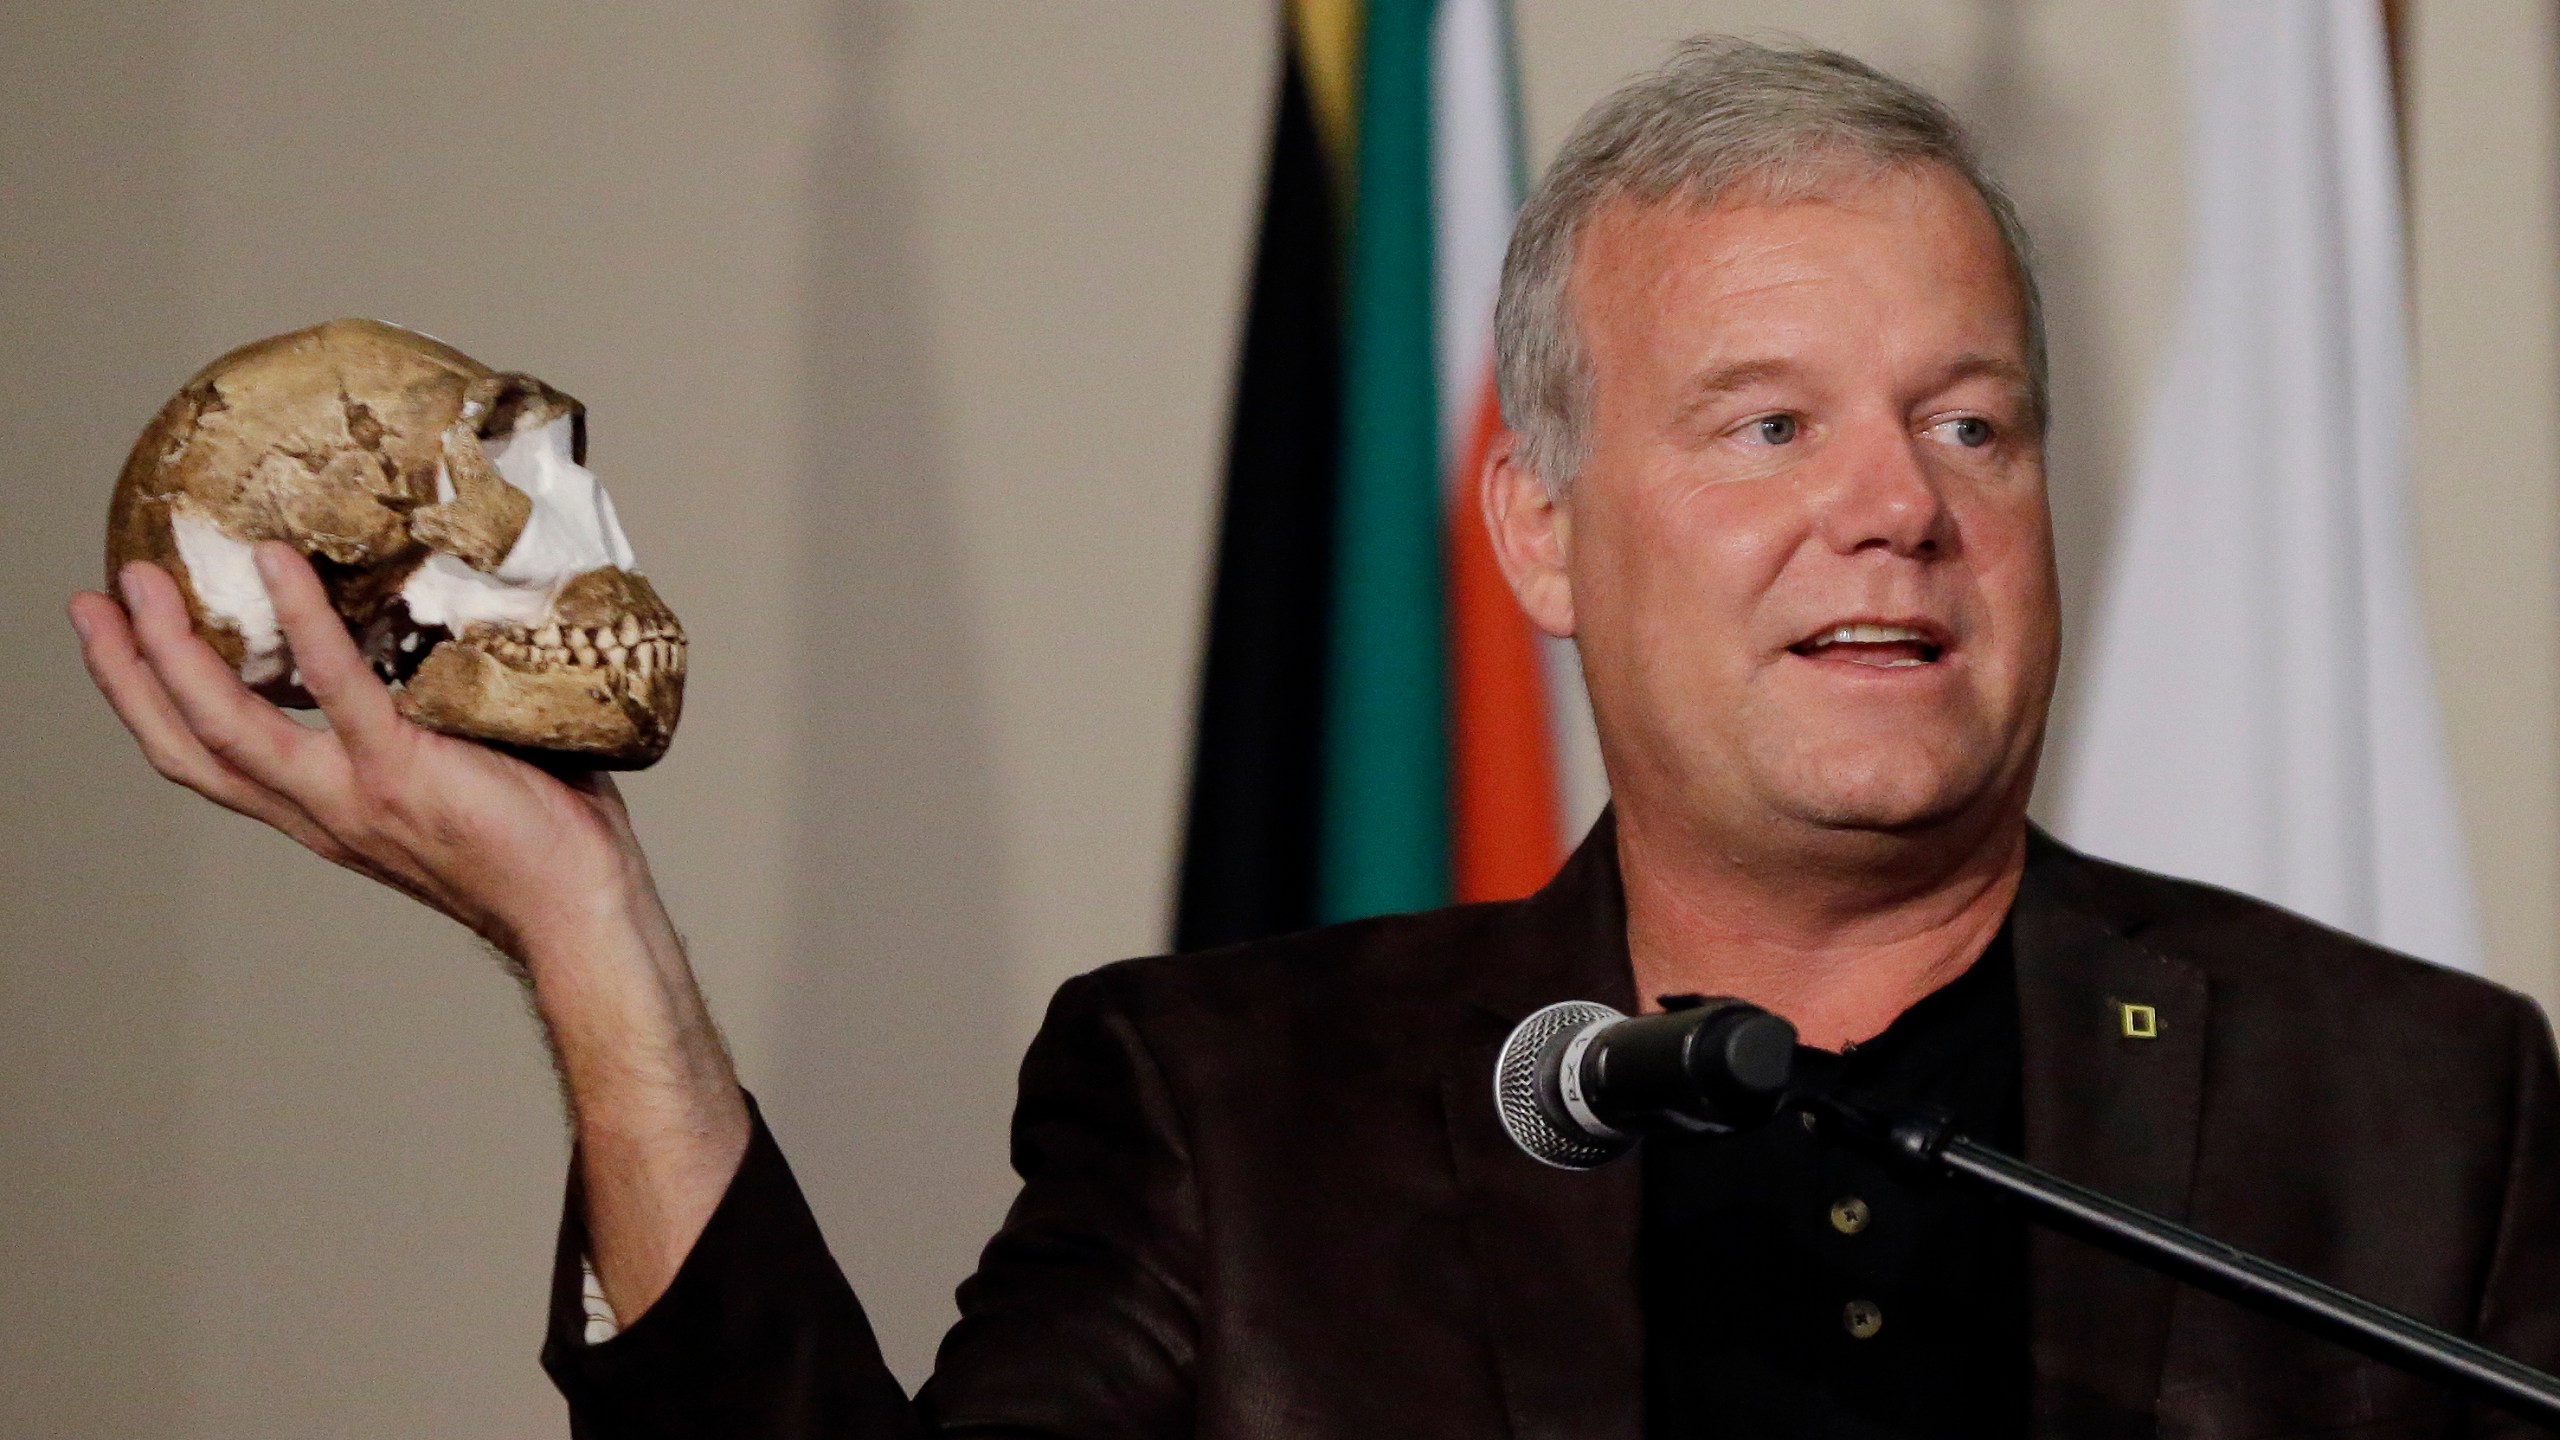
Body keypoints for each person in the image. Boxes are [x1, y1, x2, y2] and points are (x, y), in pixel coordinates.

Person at [68, 36, 2560, 1440]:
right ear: (1542, 531)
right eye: (1766, 427)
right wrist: (589, 940)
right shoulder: (1228, 1116)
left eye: (1970, 427)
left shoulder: (2412, 1110)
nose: (1892, 512)